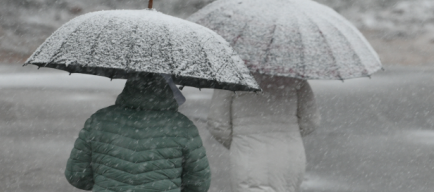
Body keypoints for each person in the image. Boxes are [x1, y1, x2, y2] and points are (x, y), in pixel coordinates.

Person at [65, 72, 211, 192]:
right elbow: (198, 184)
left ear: (128, 85)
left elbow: (77, 176)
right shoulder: (183, 126)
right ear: (168, 89)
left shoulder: (99, 119)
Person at [207, 73, 320, 192]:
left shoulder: (230, 77)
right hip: (289, 155)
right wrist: (287, 135)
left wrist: (239, 142)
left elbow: (217, 124)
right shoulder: (294, 77)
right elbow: (311, 121)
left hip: (249, 157)